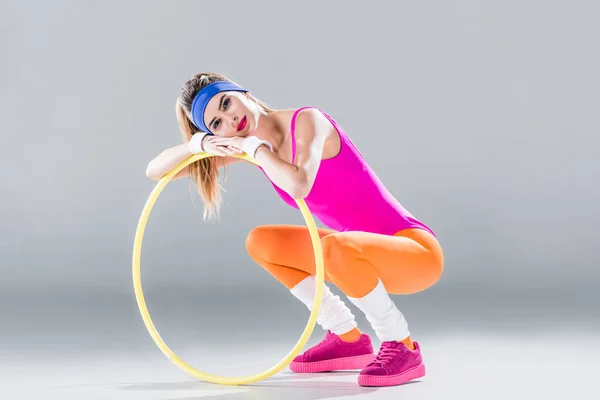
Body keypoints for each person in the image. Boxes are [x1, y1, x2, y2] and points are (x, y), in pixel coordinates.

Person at [146, 72, 444, 388]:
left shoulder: (307, 121)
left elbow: (299, 184)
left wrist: (253, 148)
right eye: (216, 123)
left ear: (241, 92)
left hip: (415, 252)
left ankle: (402, 344)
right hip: (354, 255)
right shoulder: (250, 146)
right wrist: (199, 143)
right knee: (261, 242)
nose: (230, 120)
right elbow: (155, 170)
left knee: (336, 247)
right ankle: (346, 336)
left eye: (226, 103)